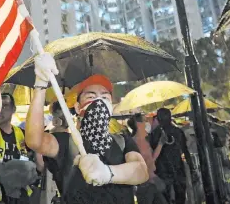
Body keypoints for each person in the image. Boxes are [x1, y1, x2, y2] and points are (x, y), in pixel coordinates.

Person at [25, 53, 149, 204]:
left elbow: (141, 171)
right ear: (78, 107)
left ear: (111, 107)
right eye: (91, 97)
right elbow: (34, 140)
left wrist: (107, 173)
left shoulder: (122, 141)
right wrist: (40, 85)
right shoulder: (67, 143)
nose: (99, 102)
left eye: (105, 98)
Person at [0, 93, 44, 204]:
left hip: (20, 195)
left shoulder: (24, 135)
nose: (0, 110)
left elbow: (39, 165)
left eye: (5, 106)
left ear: (13, 109)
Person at [149, 108, 197, 204]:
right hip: (176, 170)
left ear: (158, 119)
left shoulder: (154, 134)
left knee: (167, 199)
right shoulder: (178, 132)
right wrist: (192, 169)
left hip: (163, 172)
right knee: (180, 198)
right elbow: (185, 152)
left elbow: (152, 155)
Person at [127, 113, 167, 204]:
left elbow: (152, 158)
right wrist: (161, 144)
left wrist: (161, 143)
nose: (147, 123)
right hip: (145, 184)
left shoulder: (144, 140)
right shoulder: (135, 142)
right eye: (145, 120)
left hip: (150, 182)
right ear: (138, 124)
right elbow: (149, 161)